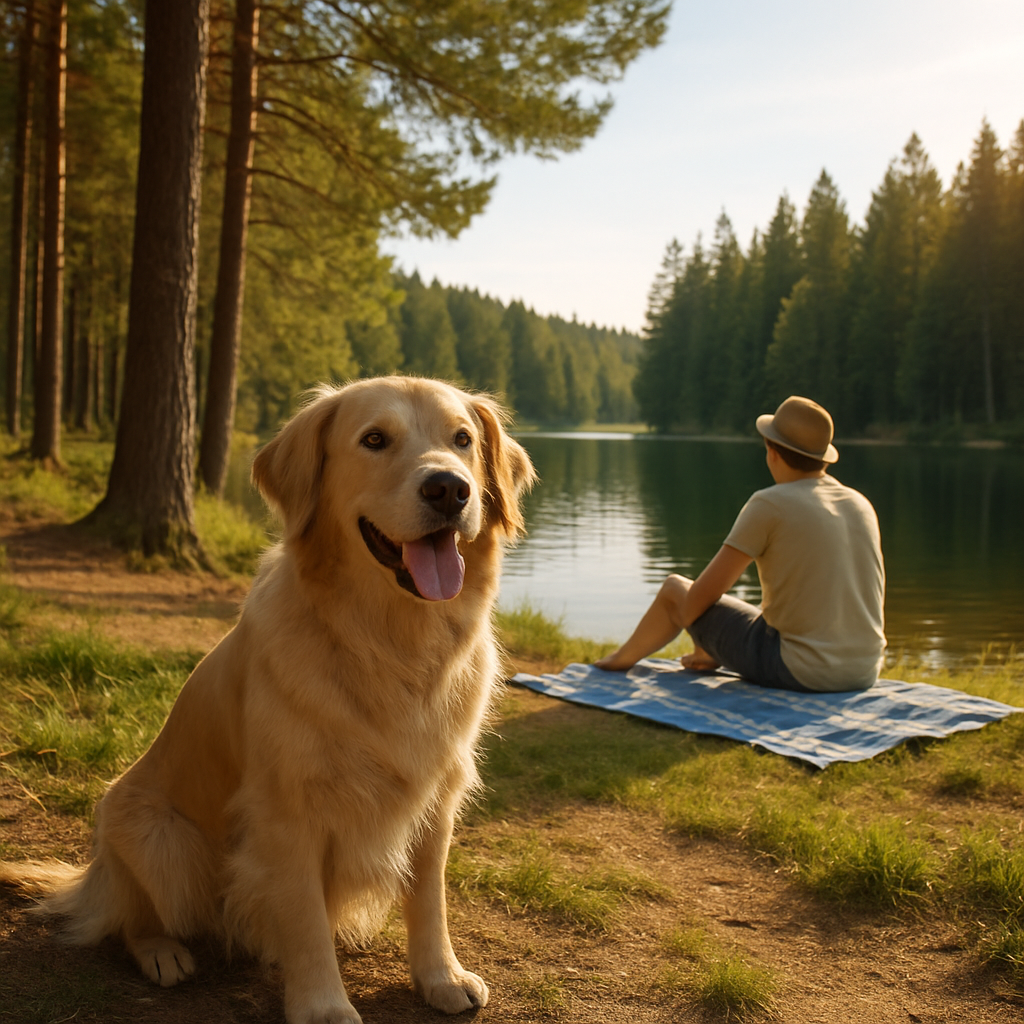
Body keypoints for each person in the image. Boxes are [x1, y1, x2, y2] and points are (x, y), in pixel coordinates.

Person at [594, 396, 885, 693]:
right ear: (823, 457)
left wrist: (708, 638)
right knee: (761, 614)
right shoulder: (860, 504)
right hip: (865, 670)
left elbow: (696, 601)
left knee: (675, 591)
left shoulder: (770, 503)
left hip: (801, 671)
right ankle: (705, 654)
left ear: (772, 452)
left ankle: (619, 660)